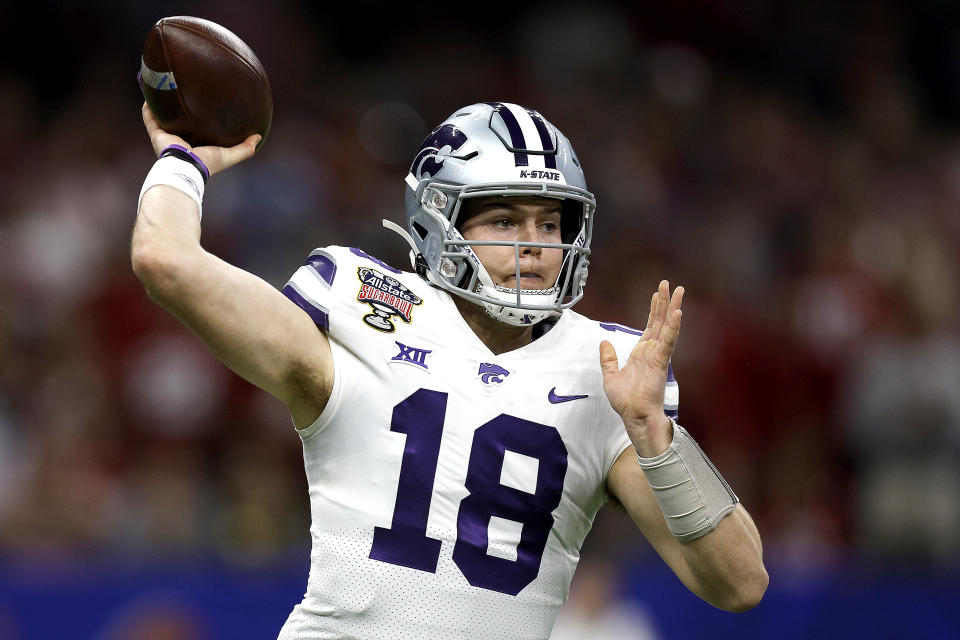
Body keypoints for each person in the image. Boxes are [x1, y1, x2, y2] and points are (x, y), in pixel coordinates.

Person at [133, 100, 768, 639]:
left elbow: (740, 584)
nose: (535, 245)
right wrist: (183, 163)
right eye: (504, 220)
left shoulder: (606, 367)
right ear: (436, 223)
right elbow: (166, 260)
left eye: (551, 222)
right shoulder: (363, 310)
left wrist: (656, 436)